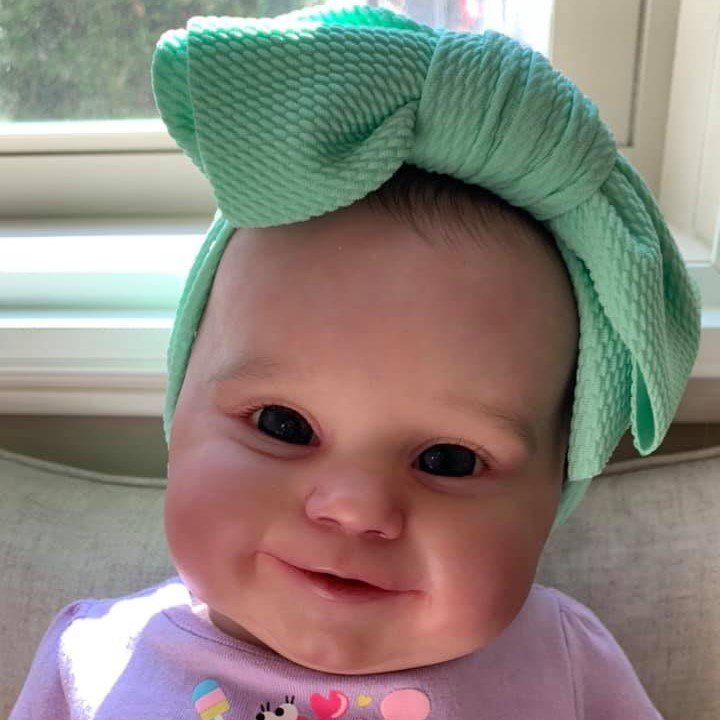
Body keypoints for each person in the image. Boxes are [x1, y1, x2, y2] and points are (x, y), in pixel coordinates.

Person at [11, 3, 701, 718]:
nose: (354, 507)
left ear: (554, 495)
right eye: (282, 424)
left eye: (448, 460)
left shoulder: (569, 663)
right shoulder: (90, 663)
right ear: (177, 418)